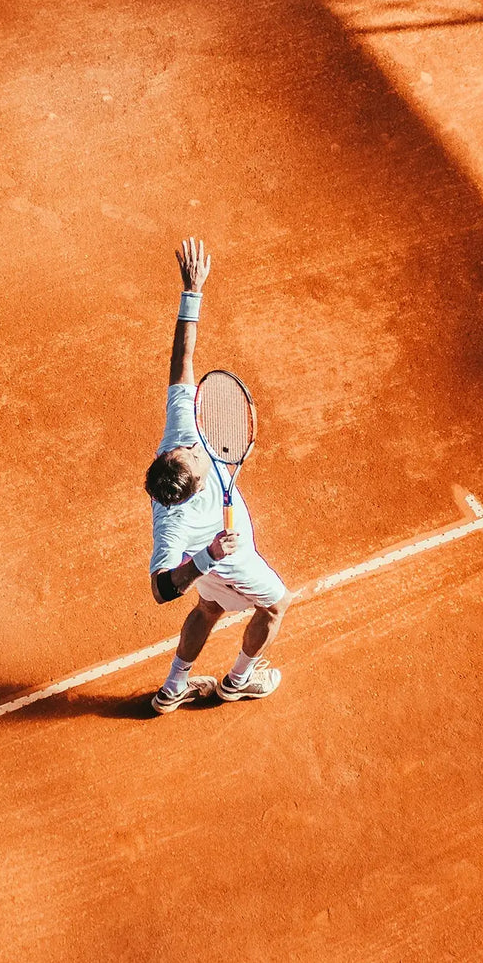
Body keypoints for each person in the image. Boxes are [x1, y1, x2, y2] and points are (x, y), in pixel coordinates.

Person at [143, 237, 295, 712]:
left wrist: (193, 291)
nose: (195, 445)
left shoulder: (179, 438)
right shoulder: (174, 524)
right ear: (192, 489)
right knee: (276, 604)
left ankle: (172, 689)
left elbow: (181, 362)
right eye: (193, 455)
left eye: (187, 447)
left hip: (212, 564)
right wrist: (208, 558)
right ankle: (238, 680)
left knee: (209, 607)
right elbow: (160, 589)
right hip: (227, 561)